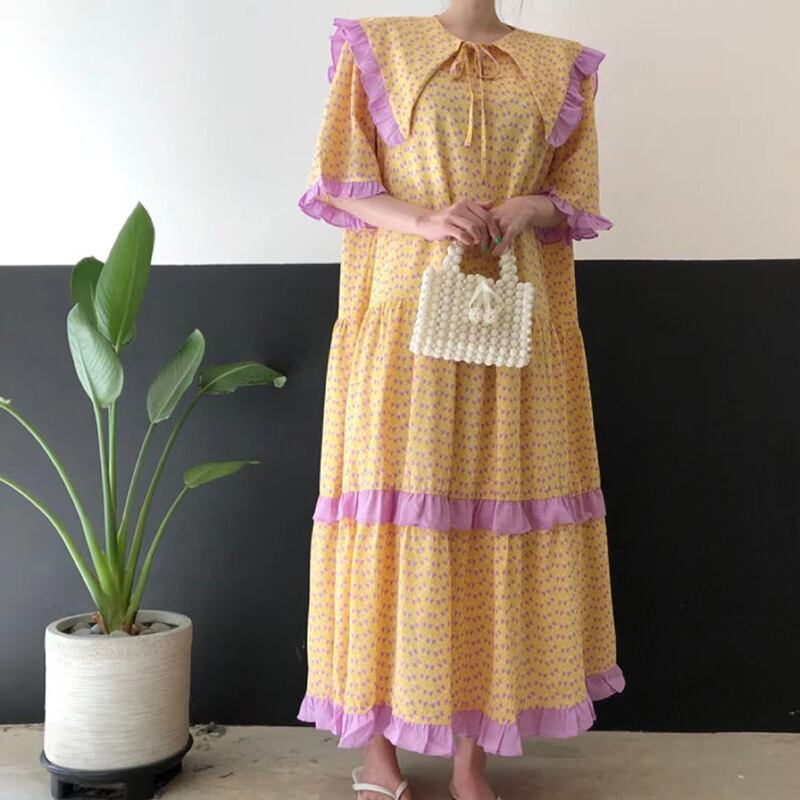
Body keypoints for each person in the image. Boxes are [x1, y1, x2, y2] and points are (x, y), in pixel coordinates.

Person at [296, 3, 625, 799]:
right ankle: (378, 755)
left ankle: (470, 762)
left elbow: (573, 194)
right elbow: (342, 182)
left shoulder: (560, 63)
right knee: (394, 525)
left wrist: (528, 208)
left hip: (514, 334)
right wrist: (427, 218)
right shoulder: (379, 47)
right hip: (402, 327)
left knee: (494, 527)